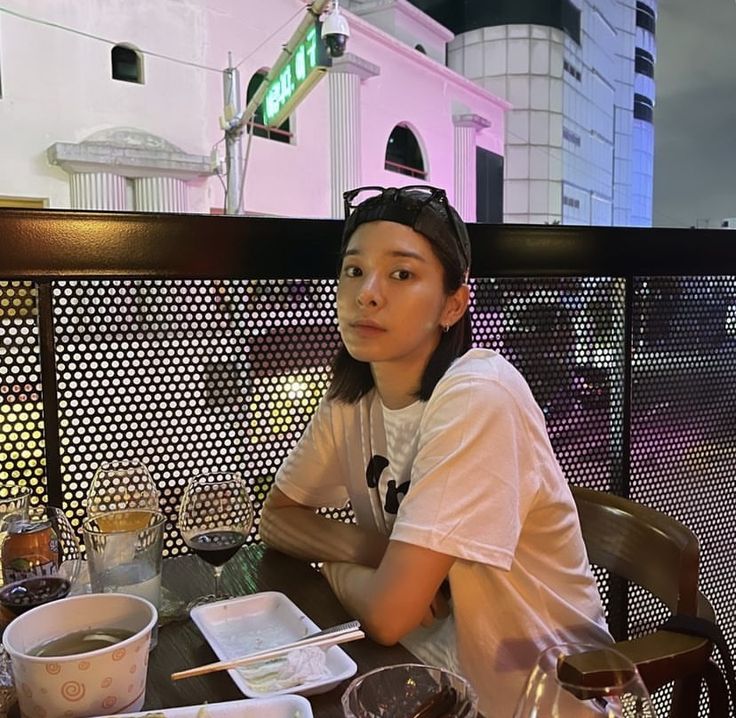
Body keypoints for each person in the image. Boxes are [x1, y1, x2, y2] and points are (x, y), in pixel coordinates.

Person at [260, 185, 612, 716]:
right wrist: (378, 555)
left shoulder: (478, 396)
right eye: (354, 270)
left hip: (536, 697)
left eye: (401, 274)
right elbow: (277, 519)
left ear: (453, 303)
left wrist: (335, 565)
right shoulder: (352, 394)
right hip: (426, 683)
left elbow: (387, 615)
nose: (367, 293)